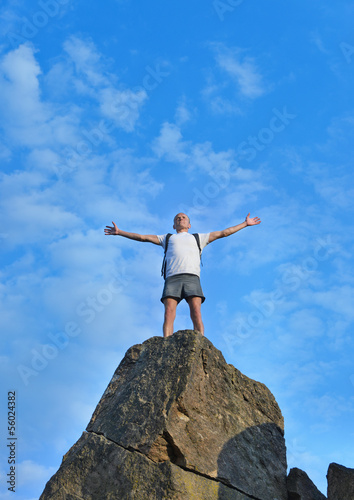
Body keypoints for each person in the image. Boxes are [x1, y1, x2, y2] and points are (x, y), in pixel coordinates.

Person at [104, 212, 261, 338]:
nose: (180, 219)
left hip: (192, 278)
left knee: (196, 312)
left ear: (189, 224)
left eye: (183, 217)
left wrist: (245, 224)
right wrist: (120, 232)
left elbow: (224, 233)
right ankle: (166, 343)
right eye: (177, 218)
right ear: (174, 225)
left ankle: (200, 342)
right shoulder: (167, 238)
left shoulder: (198, 237)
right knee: (169, 313)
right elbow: (142, 237)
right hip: (172, 279)